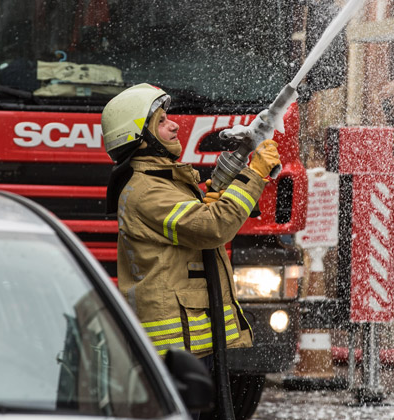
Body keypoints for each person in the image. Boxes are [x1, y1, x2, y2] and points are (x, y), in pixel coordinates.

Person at [100, 83, 280, 395]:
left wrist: (213, 199)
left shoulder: (164, 182)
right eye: (161, 122)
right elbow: (214, 228)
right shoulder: (148, 191)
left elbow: (198, 230)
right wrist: (254, 175)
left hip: (189, 342)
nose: (173, 125)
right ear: (138, 138)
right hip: (171, 353)